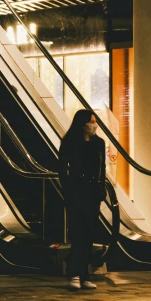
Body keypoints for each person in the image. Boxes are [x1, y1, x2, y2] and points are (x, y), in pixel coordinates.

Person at [58, 109, 106, 291]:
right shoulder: (70, 142)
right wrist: (67, 189)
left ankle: (83, 274)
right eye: (91, 121)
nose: (93, 124)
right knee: (78, 233)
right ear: (82, 123)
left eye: (94, 121)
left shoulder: (99, 143)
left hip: (93, 193)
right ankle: (75, 273)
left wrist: (101, 189)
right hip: (76, 192)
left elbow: (102, 168)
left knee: (89, 234)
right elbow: (62, 167)